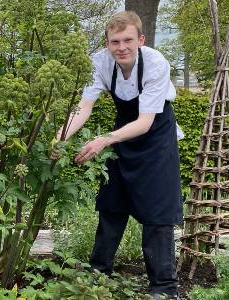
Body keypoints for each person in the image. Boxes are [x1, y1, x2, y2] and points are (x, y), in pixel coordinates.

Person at [55, 11, 183, 299]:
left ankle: (164, 288)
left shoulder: (155, 63)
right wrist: (58, 139)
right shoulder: (99, 62)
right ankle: (98, 273)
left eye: (127, 40)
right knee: (112, 203)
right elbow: (83, 108)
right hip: (123, 133)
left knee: (158, 212)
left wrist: (103, 140)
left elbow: (146, 121)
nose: (121, 47)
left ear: (141, 39)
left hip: (156, 137)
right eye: (115, 41)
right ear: (107, 42)